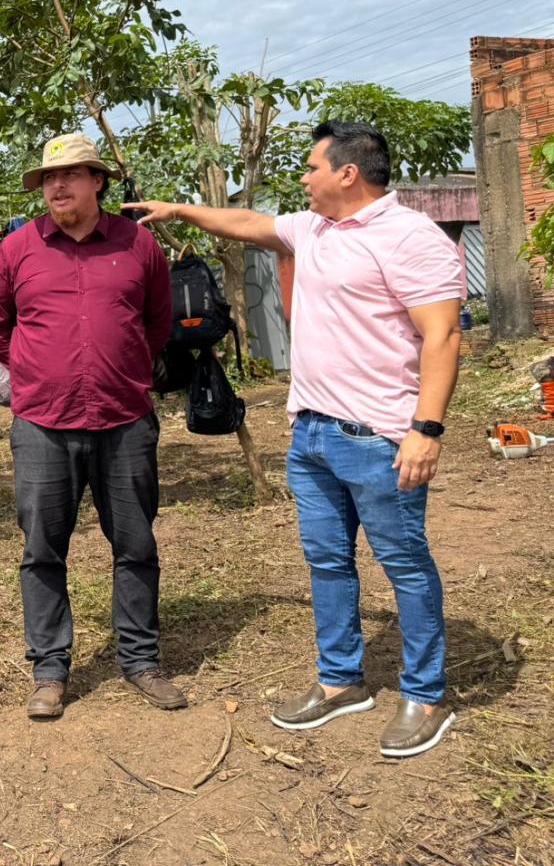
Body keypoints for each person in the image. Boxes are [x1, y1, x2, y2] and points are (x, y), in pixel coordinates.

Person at [125, 121, 464, 757]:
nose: (303, 179)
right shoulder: (314, 229)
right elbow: (246, 223)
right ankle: (341, 683)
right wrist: (177, 210)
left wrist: (426, 430)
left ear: (347, 173)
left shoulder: (410, 237)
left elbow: (443, 337)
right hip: (311, 436)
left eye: (311, 168)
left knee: (405, 567)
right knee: (327, 563)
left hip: (381, 438)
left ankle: (425, 693)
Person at [0, 133, 182, 720]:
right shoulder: (16, 250)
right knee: (43, 550)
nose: (58, 186)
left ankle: (140, 660)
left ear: (99, 181)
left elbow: (156, 322)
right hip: (43, 423)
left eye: (71, 175)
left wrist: (117, 370)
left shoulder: (137, 244)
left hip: (124, 420)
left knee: (136, 545)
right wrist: (43, 374)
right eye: (49, 178)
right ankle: (49, 671)